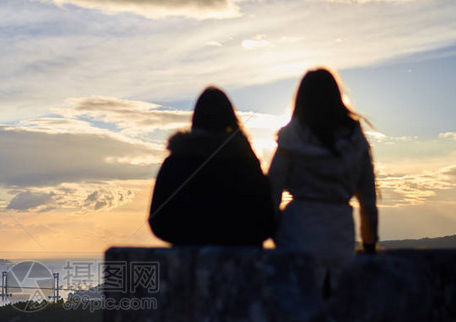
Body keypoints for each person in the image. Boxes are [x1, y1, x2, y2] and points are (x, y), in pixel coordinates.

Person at [268, 68, 378, 295]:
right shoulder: (356, 139)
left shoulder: (291, 137)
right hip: (340, 232)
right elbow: (367, 198)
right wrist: (369, 244)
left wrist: (272, 229)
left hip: (296, 231)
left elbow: (273, 189)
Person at [148, 86, 275, 246]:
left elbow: (158, 221)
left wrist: (189, 238)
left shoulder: (175, 162)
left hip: (189, 263)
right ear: (231, 119)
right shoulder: (246, 162)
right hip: (240, 262)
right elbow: (266, 222)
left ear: (195, 120)